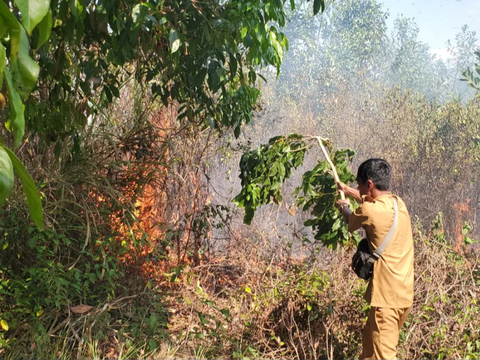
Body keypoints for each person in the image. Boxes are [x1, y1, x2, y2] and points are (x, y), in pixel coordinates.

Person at [336, 158, 414, 360]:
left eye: (359, 184)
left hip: (386, 300)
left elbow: (351, 219)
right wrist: (346, 188)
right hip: (403, 295)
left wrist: (343, 204)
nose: (357, 188)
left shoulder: (369, 211)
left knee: (383, 356)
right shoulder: (398, 204)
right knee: (370, 350)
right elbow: (368, 200)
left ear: (369, 184)